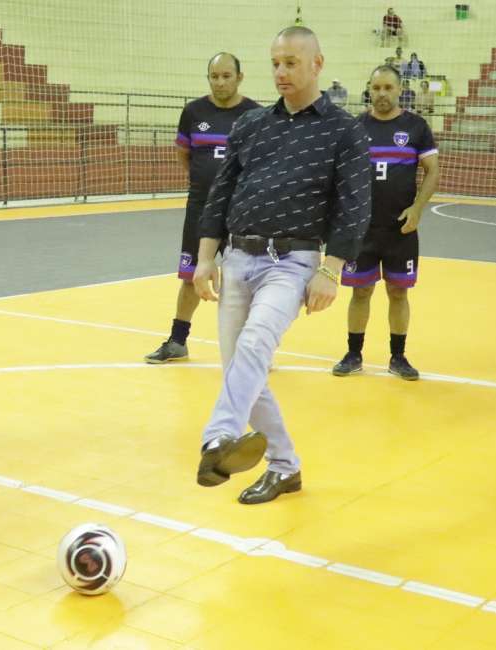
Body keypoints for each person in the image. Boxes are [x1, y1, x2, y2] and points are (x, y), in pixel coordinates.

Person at [193, 26, 371, 505]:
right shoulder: (251, 125)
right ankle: (285, 467)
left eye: (291, 62)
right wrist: (206, 258)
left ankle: (218, 437)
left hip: (292, 263)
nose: (281, 72)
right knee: (241, 370)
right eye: (275, 63)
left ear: (317, 64)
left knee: (253, 345)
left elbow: (353, 207)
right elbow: (221, 193)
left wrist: (331, 270)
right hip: (236, 257)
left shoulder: (344, 131)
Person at [144, 53, 260, 364]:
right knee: (190, 274)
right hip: (200, 208)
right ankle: (178, 341)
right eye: (214, 76)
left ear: (239, 77)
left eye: (226, 76)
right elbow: (184, 154)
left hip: (241, 211)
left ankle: (252, 347)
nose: (220, 82)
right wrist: (204, 182)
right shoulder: (193, 112)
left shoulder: (255, 115)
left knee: (247, 278)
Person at [333, 65, 439, 381]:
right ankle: (353, 354)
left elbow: (432, 170)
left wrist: (418, 209)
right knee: (361, 292)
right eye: (376, 88)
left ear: (398, 90)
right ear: (370, 89)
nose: (382, 93)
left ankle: (398, 356)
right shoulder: (354, 127)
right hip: (362, 230)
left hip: (400, 230)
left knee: (398, 292)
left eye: (388, 88)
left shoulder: (416, 127)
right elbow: (341, 176)